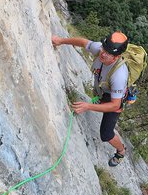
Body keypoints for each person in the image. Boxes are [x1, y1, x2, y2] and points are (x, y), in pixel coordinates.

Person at [52, 31, 129, 166]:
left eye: (108, 53)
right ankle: (99, 100)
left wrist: (88, 106)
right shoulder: (101, 50)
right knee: (100, 100)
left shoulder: (119, 75)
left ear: (116, 57)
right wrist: (60, 40)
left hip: (114, 99)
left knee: (106, 134)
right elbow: (83, 42)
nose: (103, 54)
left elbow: (114, 105)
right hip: (103, 91)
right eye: (104, 49)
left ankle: (121, 150)